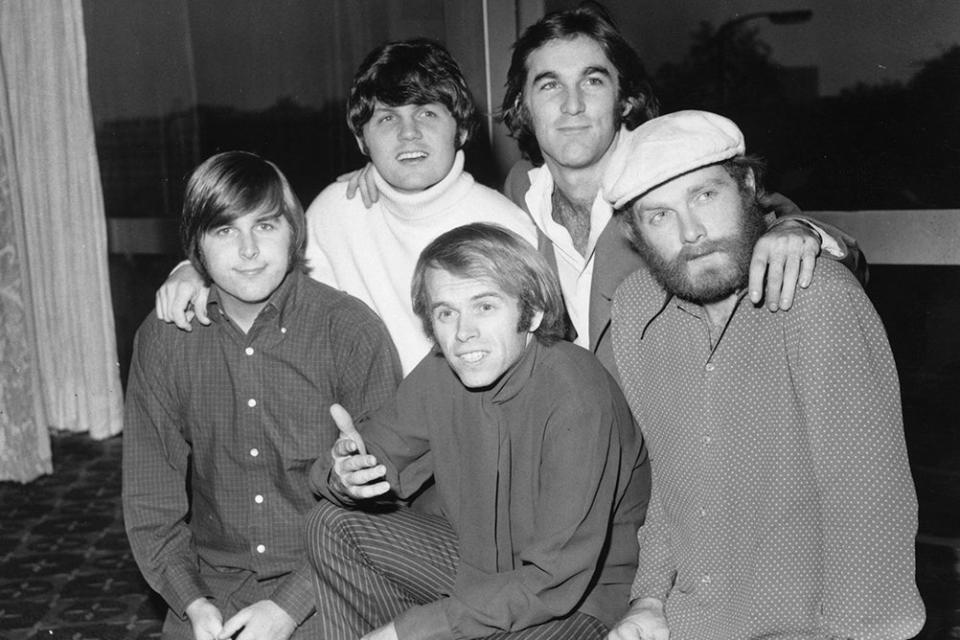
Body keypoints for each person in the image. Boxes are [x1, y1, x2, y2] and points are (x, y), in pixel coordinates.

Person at [603, 110, 925, 639]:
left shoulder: (818, 298)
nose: (692, 233)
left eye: (705, 196)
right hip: (687, 622)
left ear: (748, 185)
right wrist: (650, 599)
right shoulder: (637, 308)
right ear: (632, 232)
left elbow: (868, 501)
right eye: (658, 215)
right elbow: (670, 476)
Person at [306, 223, 650, 640]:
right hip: (477, 568)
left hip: (575, 600)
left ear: (533, 313)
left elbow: (553, 582)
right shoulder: (443, 373)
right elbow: (370, 451)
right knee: (330, 523)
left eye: (484, 307)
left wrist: (408, 631)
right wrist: (343, 472)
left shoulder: (576, 394)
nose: (462, 332)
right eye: (446, 312)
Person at [122, 151, 402, 640]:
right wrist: (192, 602)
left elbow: (385, 509)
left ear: (294, 232)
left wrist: (288, 608)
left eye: (266, 226)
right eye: (225, 231)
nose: (249, 250)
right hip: (213, 583)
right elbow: (151, 499)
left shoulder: (351, 331)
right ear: (197, 248)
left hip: (329, 576)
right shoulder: (166, 339)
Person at [499, 3, 865, 375]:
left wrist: (798, 230)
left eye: (593, 81)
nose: (572, 104)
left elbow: (790, 222)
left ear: (624, 99)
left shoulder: (669, 174)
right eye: (549, 85)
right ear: (523, 106)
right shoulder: (517, 193)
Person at [155, 39, 536, 375]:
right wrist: (195, 271)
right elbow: (264, 273)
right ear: (361, 141)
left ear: (463, 129)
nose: (408, 133)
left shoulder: (503, 224)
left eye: (427, 113)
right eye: (387, 118)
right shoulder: (338, 210)